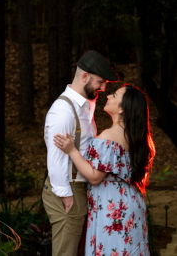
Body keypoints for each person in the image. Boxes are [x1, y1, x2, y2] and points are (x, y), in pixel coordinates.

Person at [54, 83, 156, 256]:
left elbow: (94, 177)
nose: (108, 96)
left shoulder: (111, 135)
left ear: (123, 109)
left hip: (113, 206)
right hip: (130, 203)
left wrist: (72, 150)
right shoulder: (133, 135)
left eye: (114, 96)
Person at [43, 50, 120, 256]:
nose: (103, 88)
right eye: (101, 82)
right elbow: (55, 157)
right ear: (85, 76)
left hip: (78, 188)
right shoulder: (63, 111)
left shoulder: (85, 106)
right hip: (67, 190)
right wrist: (66, 196)